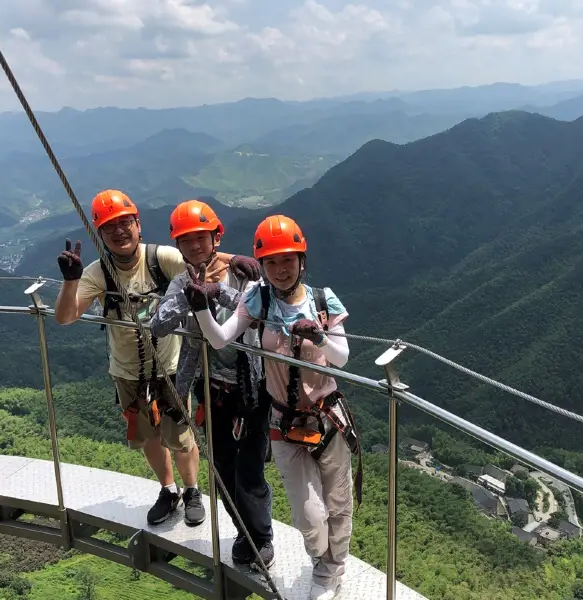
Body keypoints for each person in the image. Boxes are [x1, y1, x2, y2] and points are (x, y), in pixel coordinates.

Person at [184, 215, 361, 600]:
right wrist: (201, 309)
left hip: (328, 416)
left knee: (338, 503)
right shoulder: (257, 300)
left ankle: (332, 571)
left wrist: (319, 336)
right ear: (262, 266)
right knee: (308, 515)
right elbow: (219, 340)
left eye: (288, 260)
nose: (281, 270)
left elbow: (343, 357)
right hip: (282, 420)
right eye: (272, 263)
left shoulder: (322, 301)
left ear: (301, 261)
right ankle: (320, 560)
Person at [53, 189, 256, 527]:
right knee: (146, 435)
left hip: (171, 366)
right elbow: (65, 316)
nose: (119, 232)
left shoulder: (159, 259)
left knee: (180, 435)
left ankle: (192, 490)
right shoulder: (98, 273)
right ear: (99, 234)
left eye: (125, 223)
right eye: (109, 227)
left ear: (138, 224)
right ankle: (168, 489)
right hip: (128, 371)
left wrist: (233, 260)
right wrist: (70, 282)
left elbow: (201, 259)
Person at [149, 199, 275, 571]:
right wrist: (190, 298)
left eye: (200, 238)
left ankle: (262, 538)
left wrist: (218, 291)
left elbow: (259, 313)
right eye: (185, 241)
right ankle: (242, 533)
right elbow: (158, 324)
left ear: (215, 238)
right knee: (222, 468)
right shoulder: (180, 281)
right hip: (212, 390)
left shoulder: (243, 271)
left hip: (250, 388)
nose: (193, 247)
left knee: (249, 470)